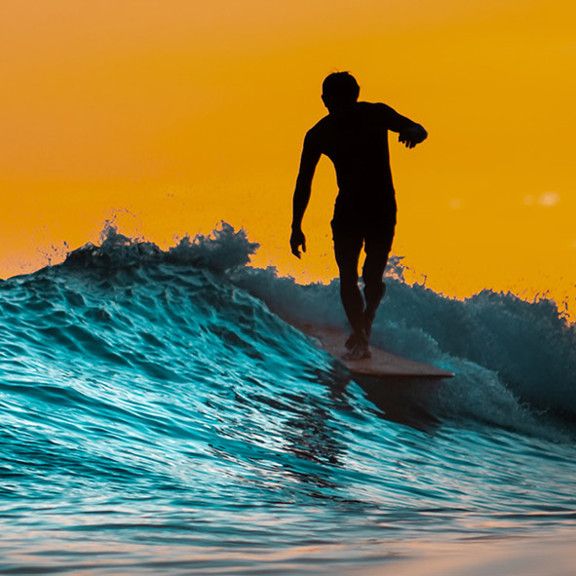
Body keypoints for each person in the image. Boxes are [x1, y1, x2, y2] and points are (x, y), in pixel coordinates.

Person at [290, 72, 427, 360]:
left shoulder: (375, 114)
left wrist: (414, 133)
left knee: (373, 278)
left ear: (355, 96)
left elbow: (417, 127)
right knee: (348, 276)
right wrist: (296, 226)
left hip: (382, 209)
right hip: (348, 212)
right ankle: (362, 338)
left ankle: (364, 324)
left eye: (343, 101)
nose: (337, 107)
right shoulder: (319, 134)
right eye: (331, 102)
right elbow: (304, 181)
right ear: (325, 101)